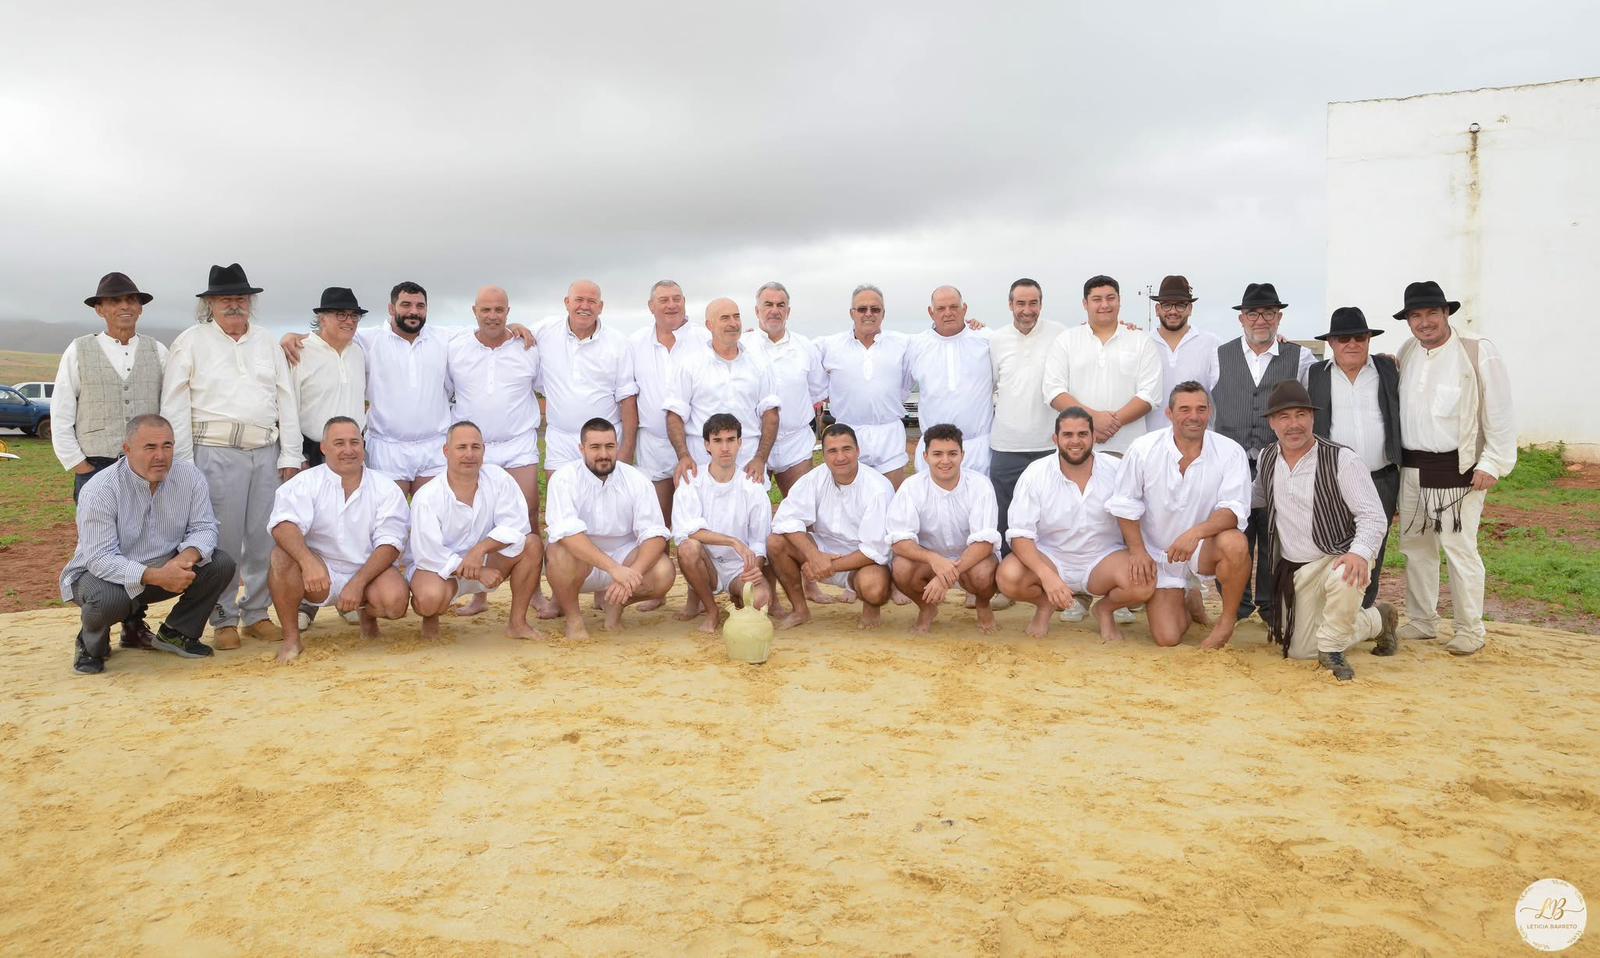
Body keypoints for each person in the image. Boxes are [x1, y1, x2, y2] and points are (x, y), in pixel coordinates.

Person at [279, 281, 535, 496]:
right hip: (387, 447)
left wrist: (514, 326)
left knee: (435, 519)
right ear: (391, 308)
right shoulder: (368, 339)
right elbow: (329, 336)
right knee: (390, 521)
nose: (413, 311)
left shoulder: (445, 337)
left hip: (433, 447)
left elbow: (488, 327)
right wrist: (292, 336)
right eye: (406, 305)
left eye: (420, 306)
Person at [162, 263, 302, 650]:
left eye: (240, 298)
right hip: (214, 451)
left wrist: (290, 454)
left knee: (263, 537)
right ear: (210, 304)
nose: (234, 305)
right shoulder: (190, 342)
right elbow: (174, 404)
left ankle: (257, 613)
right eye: (225, 299)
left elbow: (286, 399)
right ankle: (224, 618)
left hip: (265, 450)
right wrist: (184, 464)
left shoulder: (266, 342)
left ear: (250, 302)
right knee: (222, 540)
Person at [1392, 280, 1517, 656]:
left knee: (1459, 548)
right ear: (1408, 321)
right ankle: (1421, 620)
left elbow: (1500, 411)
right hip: (1411, 468)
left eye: (1432, 313)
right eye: (1416, 315)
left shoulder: (1477, 350)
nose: (1424, 322)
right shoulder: (1408, 351)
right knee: (1416, 547)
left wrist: (1492, 462)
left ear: (1446, 313)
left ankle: (1469, 628)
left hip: (1458, 468)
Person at [59, 415, 234, 674]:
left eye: (167, 446)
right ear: (127, 449)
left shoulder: (189, 476)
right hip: (101, 577)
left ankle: (177, 633)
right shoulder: (100, 489)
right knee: (108, 600)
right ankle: (91, 643)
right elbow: (100, 559)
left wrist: (183, 560)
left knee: (220, 564)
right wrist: (158, 576)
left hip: (163, 570)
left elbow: (204, 527)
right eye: (150, 447)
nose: (160, 456)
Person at [53, 271, 169, 651]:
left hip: (146, 471)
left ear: (140, 308)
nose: (125, 307)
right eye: (115, 301)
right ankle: (94, 633)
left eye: (131, 300)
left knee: (143, 546)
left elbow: (170, 407)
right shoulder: (79, 350)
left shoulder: (157, 351)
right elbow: (61, 411)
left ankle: (134, 626)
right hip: (96, 466)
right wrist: (80, 466)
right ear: (100, 309)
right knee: (97, 552)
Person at [1253, 381, 1399, 680]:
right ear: (1272, 423)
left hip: (1338, 556)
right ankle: (1376, 621)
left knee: (1347, 574)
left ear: (1312, 417)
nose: (1293, 424)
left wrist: (1359, 553)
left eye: (1301, 415)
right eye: (1284, 417)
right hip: (1296, 569)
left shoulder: (1342, 459)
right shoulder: (1267, 458)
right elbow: (1253, 499)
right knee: (1301, 652)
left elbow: (1373, 516)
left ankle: (1333, 650)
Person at [1107, 381, 1253, 649]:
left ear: (1209, 412)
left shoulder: (1230, 451)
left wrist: (1195, 534)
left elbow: (1234, 510)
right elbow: (1125, 505)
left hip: (1201, 548)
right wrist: (1138, 551)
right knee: (1167, 638)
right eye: (1185, 409)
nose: (1194, 416)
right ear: (1169, 414)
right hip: (1159, 554)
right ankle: (1188, 595)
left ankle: (1227, 620)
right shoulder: (1142, 448)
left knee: (1235, 543)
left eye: (1201, 409)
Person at [445, 285, 558, 619]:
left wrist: (523, 329)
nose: (492, 316)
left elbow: (544, 386)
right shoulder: (456, 348)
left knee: (529, 515)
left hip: (518, 443)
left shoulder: (528, 346)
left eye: (499, 310)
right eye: (486, 310)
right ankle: (479, 594)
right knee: (478, 520)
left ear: (508, 312)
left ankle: (534, 592)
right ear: (474, 311)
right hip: (475, 448)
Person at [996, 409, 1152, 641]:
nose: (1075, 441)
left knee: (1144, 582)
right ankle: (1045, 606)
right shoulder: (1036, 473)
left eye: (1082, 434)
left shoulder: (1117, 469)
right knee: (1008, 577)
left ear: (1094, 437)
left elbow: (1136, 515)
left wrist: (1139, 552)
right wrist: (1047, 576)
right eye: (1067, 435)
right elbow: (1020, 534)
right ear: (1055, 439)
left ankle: (1104, 610)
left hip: (1103, 559)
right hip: (1052, 557)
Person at [267, 417, 411, 664]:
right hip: (320, 573)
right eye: (339, 443)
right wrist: (307, 562)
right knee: (281, 557)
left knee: (395, 603)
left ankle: (366, 614)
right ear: (324, 447)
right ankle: (291, 639)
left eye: (354, 442)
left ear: (363, 445)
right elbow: (283, 526)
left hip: (368, 571)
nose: (348, 450)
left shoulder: (385, 487)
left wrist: (359, 582)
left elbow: (391, 543)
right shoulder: (305, 482)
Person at [1211, 282, 1314, 623]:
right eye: (1253, 313)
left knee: (1276, 535)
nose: (1261, 320)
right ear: (1241, 318)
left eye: (1268, 313)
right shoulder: (1217, 356)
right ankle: (1236, 607)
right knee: (1233, 535)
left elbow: (1312, 400)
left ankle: (1272, 607)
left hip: (1279, 461)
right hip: (1230, 463)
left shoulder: (1300, 357)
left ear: (1279, 318)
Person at [407, 421, 544, 642]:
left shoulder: (498, 478)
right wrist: (477, 571)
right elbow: (428, 554)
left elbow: (516, 525)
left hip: (487, 560)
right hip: (442, 570)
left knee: (532, 545)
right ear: (446, 451)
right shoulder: (427, 496)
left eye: (475, 447)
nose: (469, 454)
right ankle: (430, 620)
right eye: (461, 447)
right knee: (429, 599)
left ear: (483, 450)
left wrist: (480, 550)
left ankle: (517, 623)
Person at [544, 418, 675, 639]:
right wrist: (614, 569)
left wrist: (634, 573)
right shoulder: (564, 478)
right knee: (558, 552)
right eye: (595, 447)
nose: (603, 454)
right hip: (581, 560)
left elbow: (654, 534)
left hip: (625, 557)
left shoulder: (636, 479)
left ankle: (616, 605)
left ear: (617, 446)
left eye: (609, 446)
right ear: (582, 449)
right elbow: (567, 533)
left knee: (664, 571)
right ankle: (574, 619)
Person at [1308, 307, 1401, 609]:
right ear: (1331, 343)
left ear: (1369, 340)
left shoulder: (1388, 369)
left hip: (1381, 476)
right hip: (1333, 479)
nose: (1352, 344)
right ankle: (1331, 610)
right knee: (1331, 542)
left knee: (1373, 547)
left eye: (1359, 337)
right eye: (1343, 338)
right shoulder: (1314, 374)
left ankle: (1363, 612)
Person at [767, 423, 895, 629]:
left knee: (874, 588)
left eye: (846, 449)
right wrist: (814, 555)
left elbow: (876, 550)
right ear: (824, 455)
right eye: (832, 451)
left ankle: (871, 608)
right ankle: (800, 610)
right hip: (822, 550)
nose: (840, 457)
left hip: (862, 560)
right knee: (776, 542)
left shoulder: (877, 488)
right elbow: (785, 520)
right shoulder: (814, 478)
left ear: (858, 451)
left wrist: (829, 566)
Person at [887, 423, 1002, 634]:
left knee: (984, 571)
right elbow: (899, 542)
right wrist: (933, 559)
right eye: (937, 454)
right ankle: (926, 608)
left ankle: (983, 605)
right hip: (929, 561)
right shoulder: (911, 487)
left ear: (962, 455)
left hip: (971, 560)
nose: (945, 460)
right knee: (901, 568)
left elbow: (985, 543)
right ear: (925, 456)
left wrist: (946, 574)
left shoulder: (980, 485)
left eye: (952, 453)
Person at [671, 414, 774, 633]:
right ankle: (711, 610)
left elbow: (759, 540)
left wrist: (754, 569)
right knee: (688, 548)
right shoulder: (692, 481)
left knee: (761, 599)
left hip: (739, 567)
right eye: (717, 441)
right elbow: (685, 531)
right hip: (707, 564)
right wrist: (732, 541)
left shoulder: (752, 486)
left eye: (730, 440)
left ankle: (739, 596)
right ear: (707, 445)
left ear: (740, 443)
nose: (725, 448)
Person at [1041, 274, 1163, 456]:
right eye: (1097, 299)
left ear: (1119, 300)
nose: (1105, 305)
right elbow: (1053, 391)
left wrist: (1112, 423)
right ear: (1085, 304)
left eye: (1110, 298)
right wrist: (1091, 421)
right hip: (1077, 451)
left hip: (1129, 450)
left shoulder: (1141, 340)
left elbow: (1150, 395)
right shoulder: (1066, 340)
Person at [986, 278, 1066, 554]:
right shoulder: (995, 340)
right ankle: (1007, 573)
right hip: (1006, 445)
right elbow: (991, 385)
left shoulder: (1060, 334)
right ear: (1010, 305)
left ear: (1041, 304)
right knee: (1005, 517)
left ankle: (1048, 572)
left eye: (1033, 303)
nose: (1027, 310)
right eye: (1021, 303)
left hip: (1049, 444)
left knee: (1050, 516)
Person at [664, 297, 780, 485]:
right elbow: (674, 415)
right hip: (701, 468)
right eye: (725, 318)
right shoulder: (690, 365)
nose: (733, 323)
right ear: (709, 325)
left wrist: (760, 459)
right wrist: (684, 456)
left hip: (749, 468)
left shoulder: (759, 364)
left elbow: (771, 415)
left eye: (736, 317)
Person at [535, 280, 639, 476]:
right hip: (560, 440)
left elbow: (628, 399)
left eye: (591, 301)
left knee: (607, 495)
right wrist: (515, 326)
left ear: (601, 307)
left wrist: (627, 450)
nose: (585, 306)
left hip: (605, 441)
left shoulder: (618, 342)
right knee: (560, 494)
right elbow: (512, 335)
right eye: (579, 300)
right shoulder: (544, 331)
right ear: (567, 302)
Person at [816, 285, 915, 487]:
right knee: (849, 497)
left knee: (891, 497)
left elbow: (938, 340)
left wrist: (972, 328)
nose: (868, 314)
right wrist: (754, 339)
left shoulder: (904, 343)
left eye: (875, 309)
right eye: (862, 309)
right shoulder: (829, 345)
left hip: (889, 434)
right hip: (847, 433)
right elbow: (795, 353)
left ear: (883, 313)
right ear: (851, 313)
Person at [629, 280, 704, 523]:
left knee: (697, 519)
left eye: (676, 299)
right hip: (652, 446)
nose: (672, 305)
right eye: (664, 300)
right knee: (656, 520)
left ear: (684, 302)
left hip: (695, 444)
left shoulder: (705, 338)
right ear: (651, 306)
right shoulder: (635, 343)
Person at [745, 281, 827, 494]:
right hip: (753, 443)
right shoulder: (742, 346)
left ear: (788, 311)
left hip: (795, 444)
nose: (775, 310)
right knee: (752, 508)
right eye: (768, 304)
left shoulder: (805, 347)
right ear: (757, 310)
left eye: (780, 305)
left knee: (802, 506)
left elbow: (816, 391)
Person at [906, 286, 995, 475]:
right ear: (931, 312)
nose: (948, 313)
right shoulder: (916, 345)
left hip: (979, 450)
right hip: (935, 451)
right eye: (941, 308)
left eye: (954, 307)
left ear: (965, 309)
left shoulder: (986, 338)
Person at [291, 287, 367, 468]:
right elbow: (288, 409)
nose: (349, 321)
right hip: (312, 456)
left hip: (354, 453)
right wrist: (295, 457)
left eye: (354, 316)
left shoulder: (359, 352)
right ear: (322, 318)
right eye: (341, 315)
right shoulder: (298, 352)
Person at [1144, 275, 1220, 434]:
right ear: (1157, 309)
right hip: (1152, 440)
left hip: (1198, 439)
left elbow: (1222, 394)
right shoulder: (1143, 343)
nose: (1173, 311)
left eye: (1180, 305)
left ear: (1190, 309)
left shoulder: (1211, 343)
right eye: (1166, 305)